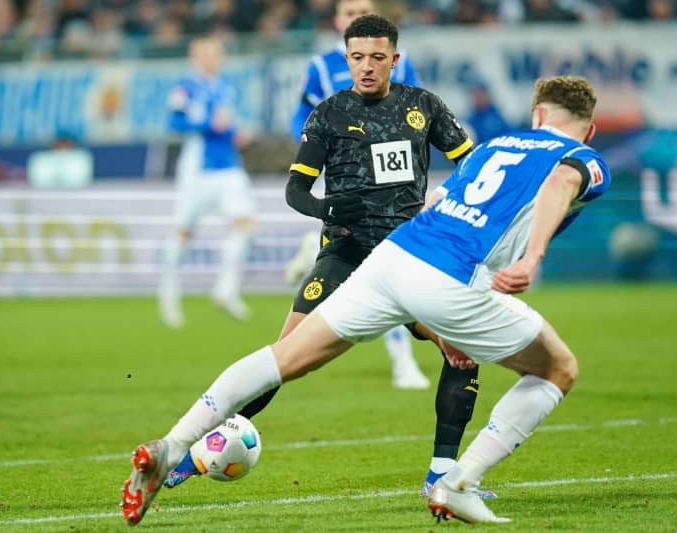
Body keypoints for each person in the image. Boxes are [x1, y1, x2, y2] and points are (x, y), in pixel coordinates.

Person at [121, 74, 610, 525]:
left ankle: (172, 444)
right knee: (557, 369)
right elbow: (562, 181)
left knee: (285, 357)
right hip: (451, 279)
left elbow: (442, 202)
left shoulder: (496, 146)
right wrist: (531, 259)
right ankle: (459, 482)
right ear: (586, 132)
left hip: (393, 256)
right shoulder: (584, 158)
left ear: (537, 115)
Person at [161, 14, 487, 500]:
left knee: (463, 352)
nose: (367, 67)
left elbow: (472, 160)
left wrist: (451, 198)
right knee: (284, 356)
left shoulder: (423, 107)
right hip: (346, 253)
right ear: (347, 58)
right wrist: (329, 206)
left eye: (378, 58)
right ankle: (191, 454)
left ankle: (442, 475)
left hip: (408, 255)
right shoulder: (330, 114)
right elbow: (296, 189)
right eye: (358, 58)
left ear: (394, 59)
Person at [286, 0, 429, 392]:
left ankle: (404, 360)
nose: (355, 18)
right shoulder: (321, 67)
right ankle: (402, 361)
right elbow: (301, 117)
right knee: (373, 265)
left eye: (362, 11)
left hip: (392, 176)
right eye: (349, 13)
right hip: (347, 176)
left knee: (389, 268)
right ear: (338, 21)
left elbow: (413, 109)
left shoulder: (399, 62)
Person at [158, 36, 257, 327]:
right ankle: (169, 296)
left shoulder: (226, 88)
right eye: (206, 54)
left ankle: (226, 289)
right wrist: (207, 125)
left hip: (228, 166)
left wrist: (236, 134)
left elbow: (226, 124)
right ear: (194, 57)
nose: (212, 59)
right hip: (196, 169)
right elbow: (173, 123)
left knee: (246, 223)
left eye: (216, 54)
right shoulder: (185, 88)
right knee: (184, 232)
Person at [464, 80, 513, 144]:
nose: (478, 97)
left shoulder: (497, 118)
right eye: (475, 94)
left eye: (481, 94)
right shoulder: (471, 121)